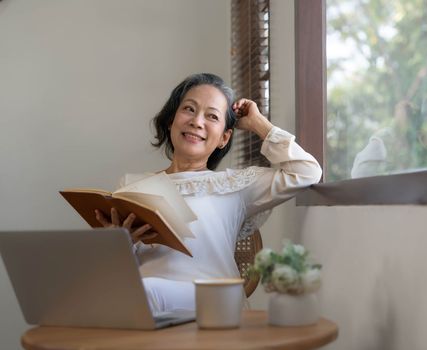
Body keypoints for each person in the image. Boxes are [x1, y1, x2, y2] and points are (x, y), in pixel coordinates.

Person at [95, 73, 322, 312]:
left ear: (224, 137)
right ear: (171, 121)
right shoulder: (131, 184)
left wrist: (257, 123)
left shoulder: (236, 184)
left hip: (215, 303)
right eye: (189, 110)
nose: (197, 121)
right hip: (146, 304)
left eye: (212, 116)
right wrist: (119, 242)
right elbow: (119, 272)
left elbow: (306, 172)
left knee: (144, 291)